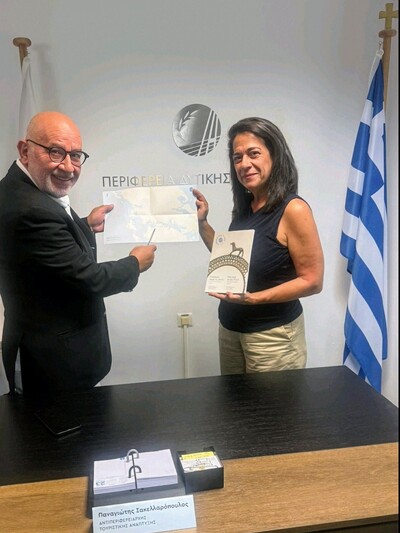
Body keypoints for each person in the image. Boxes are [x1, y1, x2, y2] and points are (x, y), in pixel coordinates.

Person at [0, 111, 157, 400]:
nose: (68, 167)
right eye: (55, 152)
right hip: (51, 365)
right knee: (55, 429)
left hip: (51, 356)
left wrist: (84, 224)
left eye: (75, 155)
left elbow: (46, 250)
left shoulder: (20, 190)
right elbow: (89, 279)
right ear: (25, 151)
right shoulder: (30, 208)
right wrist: (135, 263)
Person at [192, 117, 324, 375]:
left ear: (275, 156)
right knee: (235, 402)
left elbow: (312, 281)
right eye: (237, 157)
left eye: (254, 154)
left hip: (272, 338)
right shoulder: (246, 208)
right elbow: (227, 257)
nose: (244, 164)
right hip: (230, 330)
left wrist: (253, 299)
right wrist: (202, 223)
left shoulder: (294, 209)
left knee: (272, 404)